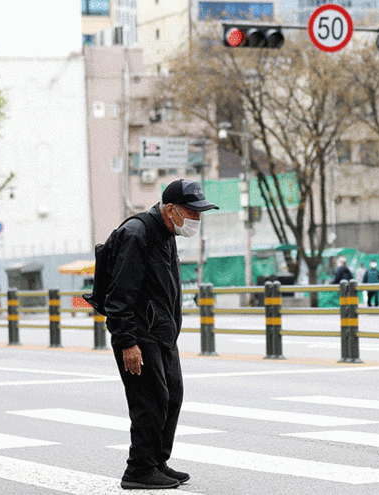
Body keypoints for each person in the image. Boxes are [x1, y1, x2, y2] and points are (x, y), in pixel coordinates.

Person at [105, 179, 218, 490]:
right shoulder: (137, 234)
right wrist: (127, 342)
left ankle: (156, 461)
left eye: (199, 214)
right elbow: (119, 297)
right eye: (192, 213)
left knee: (172, 396)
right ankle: (138, 469)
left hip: (162, 334)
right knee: (150, 401)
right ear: (170, 209)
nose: (196, 219)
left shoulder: (166, 234)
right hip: (140, 335)